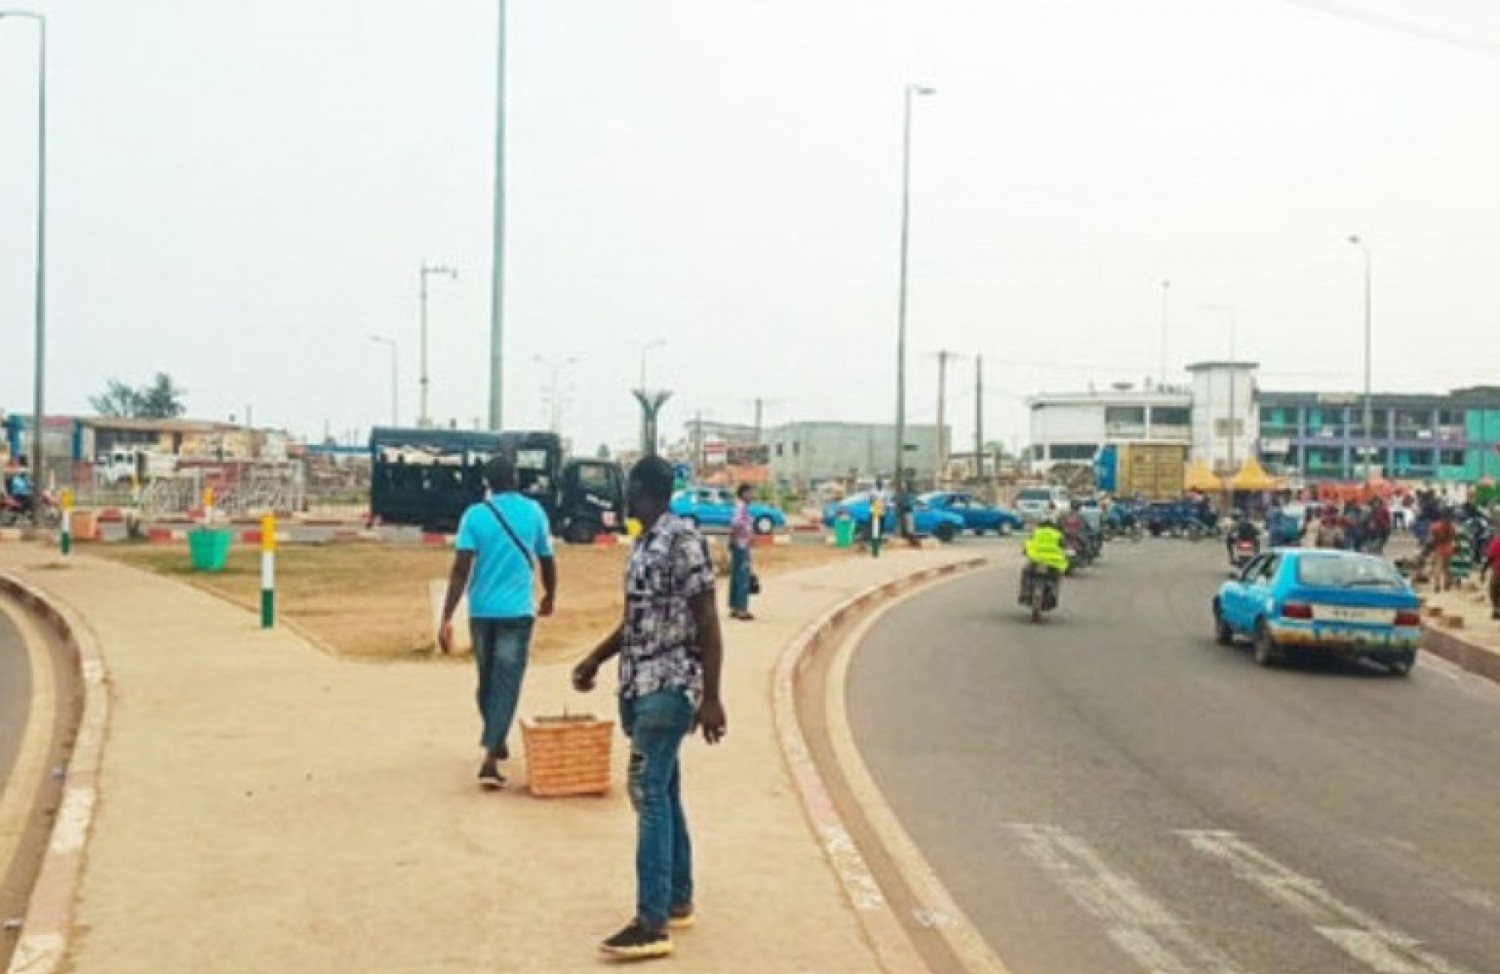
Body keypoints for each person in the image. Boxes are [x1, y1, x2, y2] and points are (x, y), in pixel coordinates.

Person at [571, 457, 726, 961]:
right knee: (665, 789)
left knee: (646, 792)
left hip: (670, 686)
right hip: (639, 685)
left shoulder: (682, 540)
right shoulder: (644, 541)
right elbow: (637, 622)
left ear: (642, 488)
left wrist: (713, 697)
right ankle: (677, 898)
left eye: (627, 487)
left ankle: (651, 921)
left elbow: (707, 619)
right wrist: (594, 659)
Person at [438, 454, 557, 790]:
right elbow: (547, 559)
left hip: (481, 611)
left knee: (487, 680)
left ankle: (493, 742)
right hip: (517, 612)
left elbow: (461, 569)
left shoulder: (474, 516)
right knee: (505, 682)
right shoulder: (534, 512)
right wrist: (550, 595)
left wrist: (447, 616)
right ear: (516, 477)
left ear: (487, 483)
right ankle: (493, 748)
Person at [1020, 517, 1070, 604]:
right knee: (1058, 576)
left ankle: (1024, 592)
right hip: (1053, 563)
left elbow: (1027, 544)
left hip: (1036, 560)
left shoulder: (1036, 533)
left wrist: (1025, 551)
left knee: (1025, 573)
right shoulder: (1057, 534)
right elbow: (1064, 547)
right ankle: (1054, 592)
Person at [728, 483, 755, 621]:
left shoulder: (740, 507)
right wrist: (735, 539)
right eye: (750, 493)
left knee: (736, 576)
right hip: (742, 545)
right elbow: (736, 524)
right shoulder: (742, 507)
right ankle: (741, 609)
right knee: (742, 577)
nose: (752, 496)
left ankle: (734, 606)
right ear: (743, 494)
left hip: (739, 544)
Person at [1429, 510, 1458, 593]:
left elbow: (1432, 539)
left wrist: (1430, 547)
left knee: (1437, 568)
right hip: (1449, 549)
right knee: (1447, 568)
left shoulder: (1435, 526)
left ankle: (1437, 585)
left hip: (1439, 549)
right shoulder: (1451, 527)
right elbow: (1455, 537)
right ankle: (1447, 585)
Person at [1485, 531, 1500, 621]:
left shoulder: (1497, 541)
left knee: (1494, 591)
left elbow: (1490, 557)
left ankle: (1496, 610)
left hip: (1498, 570)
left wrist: (1483, 570)